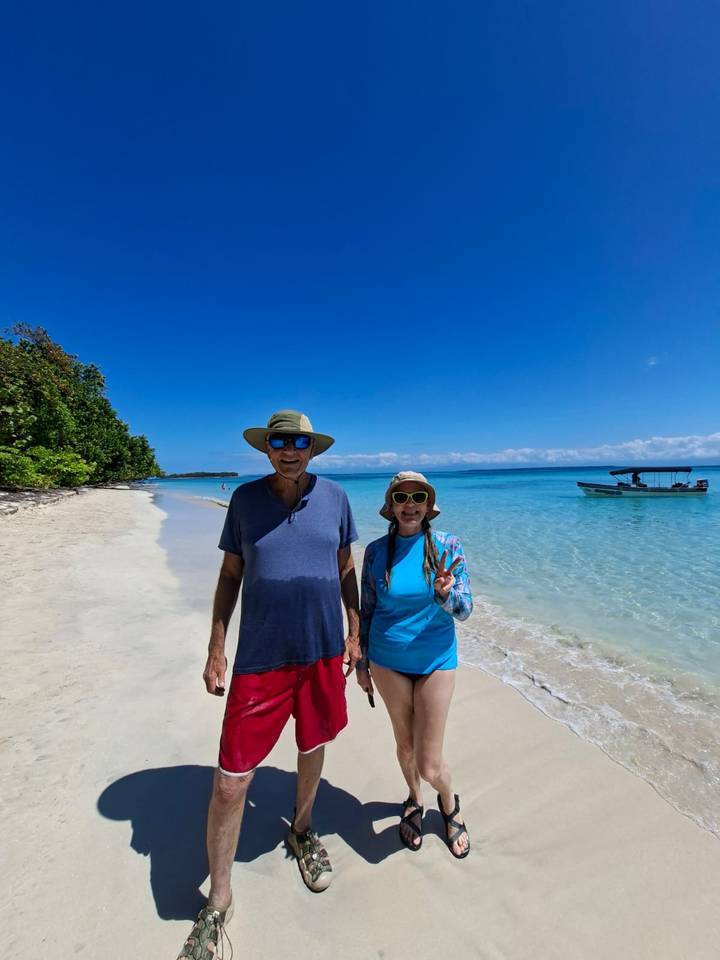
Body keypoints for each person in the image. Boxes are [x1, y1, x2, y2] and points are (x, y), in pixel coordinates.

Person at [177, 410, 361, 960]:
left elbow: (346, 568)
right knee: (231, 782)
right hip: (260, 661)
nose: (289, 449)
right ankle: (219, 900)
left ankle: (301, 830)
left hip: (324, 652)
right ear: (266, 449)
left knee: (312, 746)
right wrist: (216, 647)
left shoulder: (337, 499)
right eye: (279, 441)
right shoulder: (245, 501)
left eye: (299, 442)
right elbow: (231, 575)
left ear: (312, 449)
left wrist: (356, 630)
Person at [356, 471, 473, 859]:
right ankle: (413, 799)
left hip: (436, 659)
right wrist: (361, 662)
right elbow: (367, 610)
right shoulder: (375, 552)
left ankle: (448, 801)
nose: (410, 504)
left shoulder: (447, 546)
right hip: (387, 660)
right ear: (390, 507)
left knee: (429, 761)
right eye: (401, 497)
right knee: (404, 744)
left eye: (417, 496)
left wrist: (445, 595)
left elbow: (466, 609)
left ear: (428, 505)